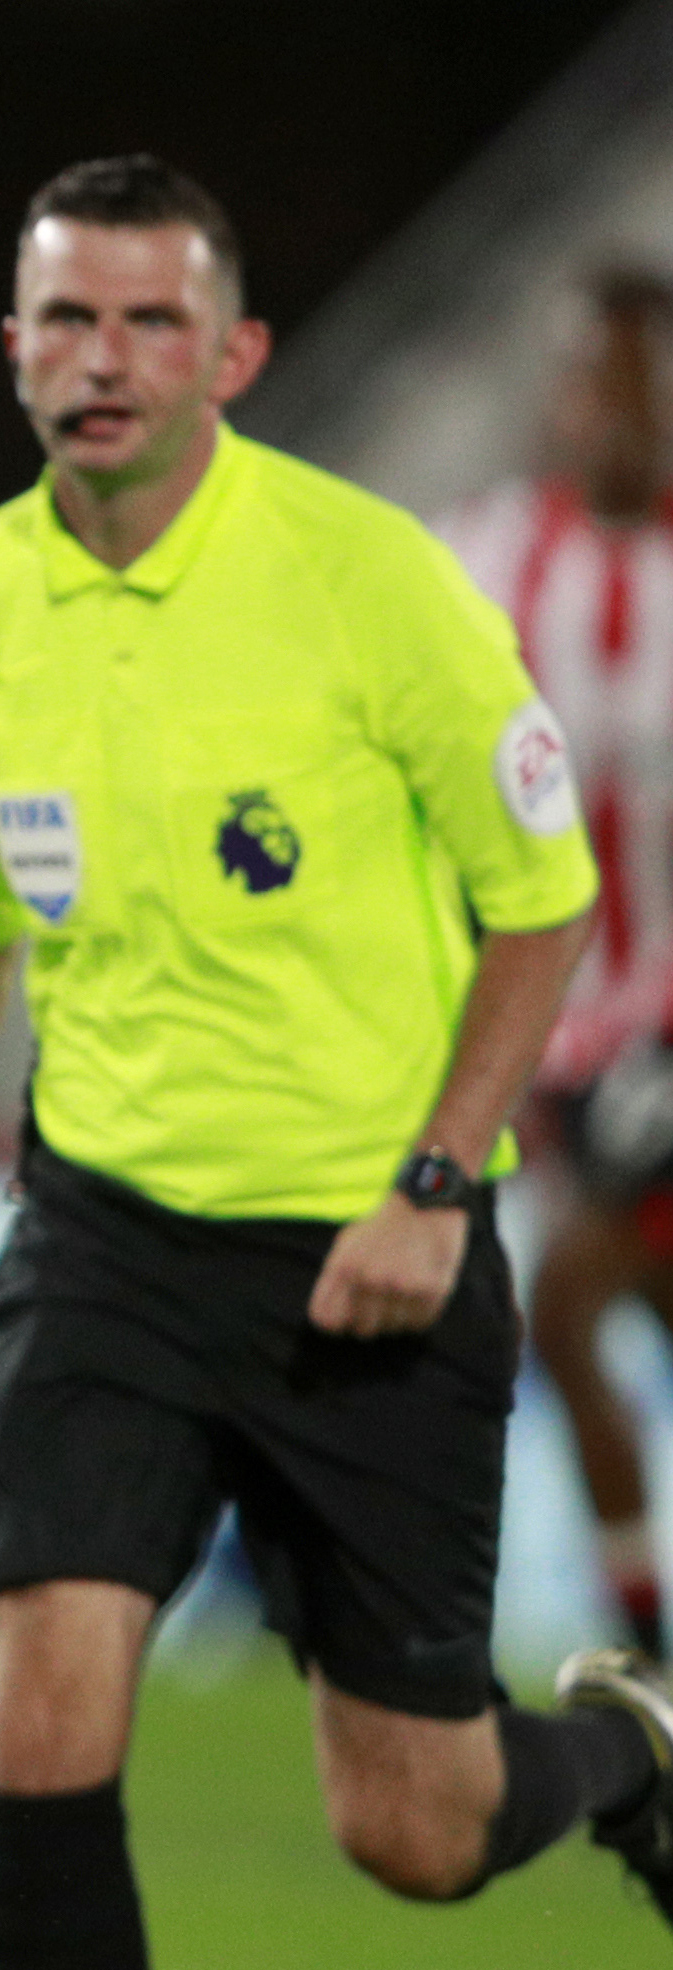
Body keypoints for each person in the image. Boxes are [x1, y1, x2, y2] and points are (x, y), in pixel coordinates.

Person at [0, 155, 673, 1970]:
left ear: (233, 356)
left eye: (143, 325)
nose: (98, 364)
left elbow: (544, 897)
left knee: (414, 1825)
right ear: (10, 347)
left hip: (370, 1244)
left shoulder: (371, 582)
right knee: (45, 1706)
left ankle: (625, 1763)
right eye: (60, 323)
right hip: (104, 1242)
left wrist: (434, 1175)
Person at [440, 271, 673, 1659]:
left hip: (666, 1019)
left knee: (575, 1295)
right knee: (580, 1308)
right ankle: (640, 1625)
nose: (619, 409)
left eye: (643, 379)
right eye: (599, 377)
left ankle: (640, 1635)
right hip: (544, 1024)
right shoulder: (473, 556)